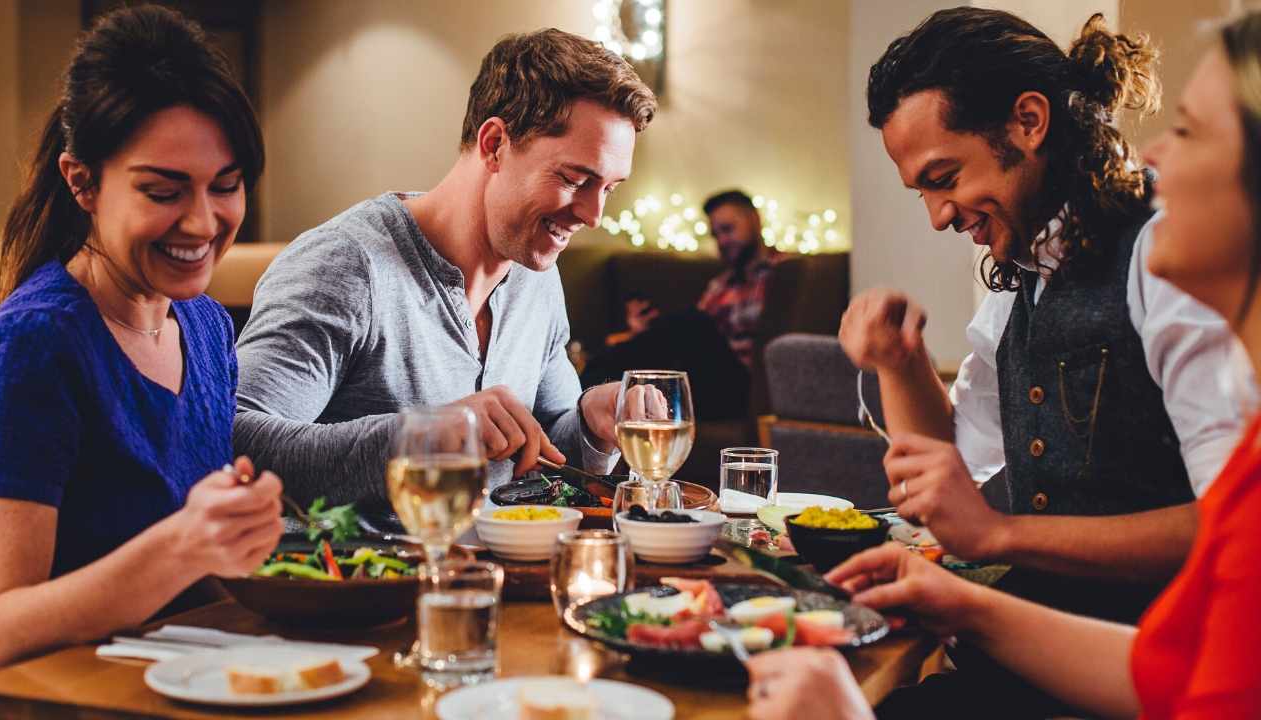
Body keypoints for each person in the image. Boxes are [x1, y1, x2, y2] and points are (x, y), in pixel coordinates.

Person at [746, 10, 1261, 719]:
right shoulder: (1020, 275)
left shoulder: (1166, 262)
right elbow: (957, 476)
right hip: (1031, 666)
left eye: (944, 177)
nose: (936, 215)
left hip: (1138, 679)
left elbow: (1229, 531)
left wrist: (1003, 539)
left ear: (1028, 121)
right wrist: (901, 364)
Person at [0, 5, 283, 673]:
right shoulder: (36, 344)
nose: (203, 222)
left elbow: (196, 585)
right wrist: (185, 545)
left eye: (226, 186)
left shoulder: (202, 323)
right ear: (81, 181)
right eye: (162, 191)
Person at [233, 30, 658, 504]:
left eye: (609, 188)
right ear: (495, 143)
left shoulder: (535, 270)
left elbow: (551, 454)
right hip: (363, 573)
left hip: (496, 572)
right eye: (575, 179)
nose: (593, 215)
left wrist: (593, 421)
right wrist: (427, 436)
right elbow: (235, 442)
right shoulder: (347, 264)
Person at [581, 189, 772, 420]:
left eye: (727, 230)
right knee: (673, 339)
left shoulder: (783, 275)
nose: (721, 241)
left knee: (692, 323)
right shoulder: (720, 285)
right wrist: (644, 332)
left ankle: (588, 378)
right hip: (706, 381)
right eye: (715, 234)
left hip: (747, 388)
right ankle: (594, 386)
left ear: (755, 220)